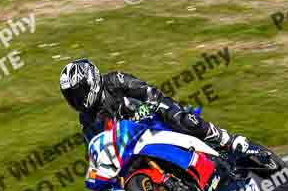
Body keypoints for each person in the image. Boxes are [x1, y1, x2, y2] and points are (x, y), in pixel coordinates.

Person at [59, 58, 272, 160]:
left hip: (152, 117)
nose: (76, 100)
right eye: (71, 96)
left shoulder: (114, 81)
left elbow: (147, 91)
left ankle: (230, 141)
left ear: (91, 81)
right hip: (133, 144)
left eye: (79, 92)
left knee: (182, 119)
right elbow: (94, 150)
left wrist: (147, 106)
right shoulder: (86, 119)